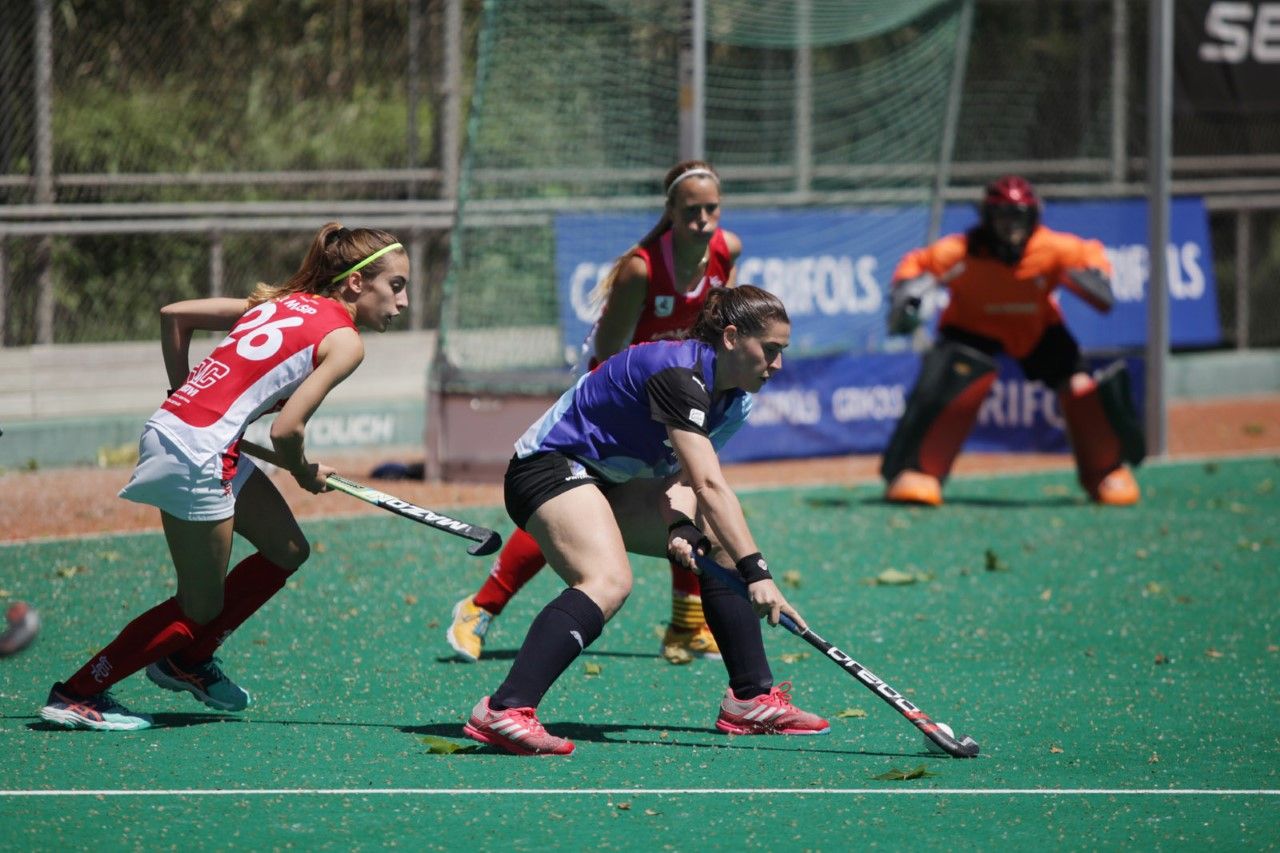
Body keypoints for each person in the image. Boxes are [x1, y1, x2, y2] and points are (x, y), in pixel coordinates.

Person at [38, 222, 409, 731]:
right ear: (355, 284)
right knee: (199, 606)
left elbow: (175, 316)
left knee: (287, 550)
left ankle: (185, 661)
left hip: (196, 439)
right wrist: (303, 472)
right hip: (199, 454)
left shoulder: (279, 303)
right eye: (397, 285)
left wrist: (181, 393)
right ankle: (78, 692)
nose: (403, 301)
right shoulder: (345, 341)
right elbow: (286, 430)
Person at [461, 285, 829, 756]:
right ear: (733, 337)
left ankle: (750, 699)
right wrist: (758, 573)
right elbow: (712, 487)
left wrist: (680, 527)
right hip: (549, 467)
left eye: (782, 352)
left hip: (613, 483)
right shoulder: (679, 374)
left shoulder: (735, 400)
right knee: (608, 580)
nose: (777, 365)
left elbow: (684, 478)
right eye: (771, 350)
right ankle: (504, 709)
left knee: (717, 539)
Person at [448, 160, 743, 666]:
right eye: (691, 210)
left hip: (675, 397)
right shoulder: (642, 268)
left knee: (689, 491)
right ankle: (480, 606)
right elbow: (609, 354)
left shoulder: (726, 250)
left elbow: (711, 332)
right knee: (575, 506)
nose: (703, 220)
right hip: (615, 396)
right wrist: (646, 413)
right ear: (670, 211)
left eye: (711, 208)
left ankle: (685, 628)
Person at [881, 175, 1144, 507]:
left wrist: (1097, 273)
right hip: (970, 330)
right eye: (1003, 216)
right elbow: (916, 263)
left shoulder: (1051, 248)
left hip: (1036, 329)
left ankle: (1106, 472)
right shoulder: (961, 252)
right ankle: (918, 473)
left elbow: (1090, 254)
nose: (1011, 226)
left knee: (1080, 387)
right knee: (948, 382)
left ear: (1033, 217)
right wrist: (905, 289)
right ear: (987, 218)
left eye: (1019, 216)